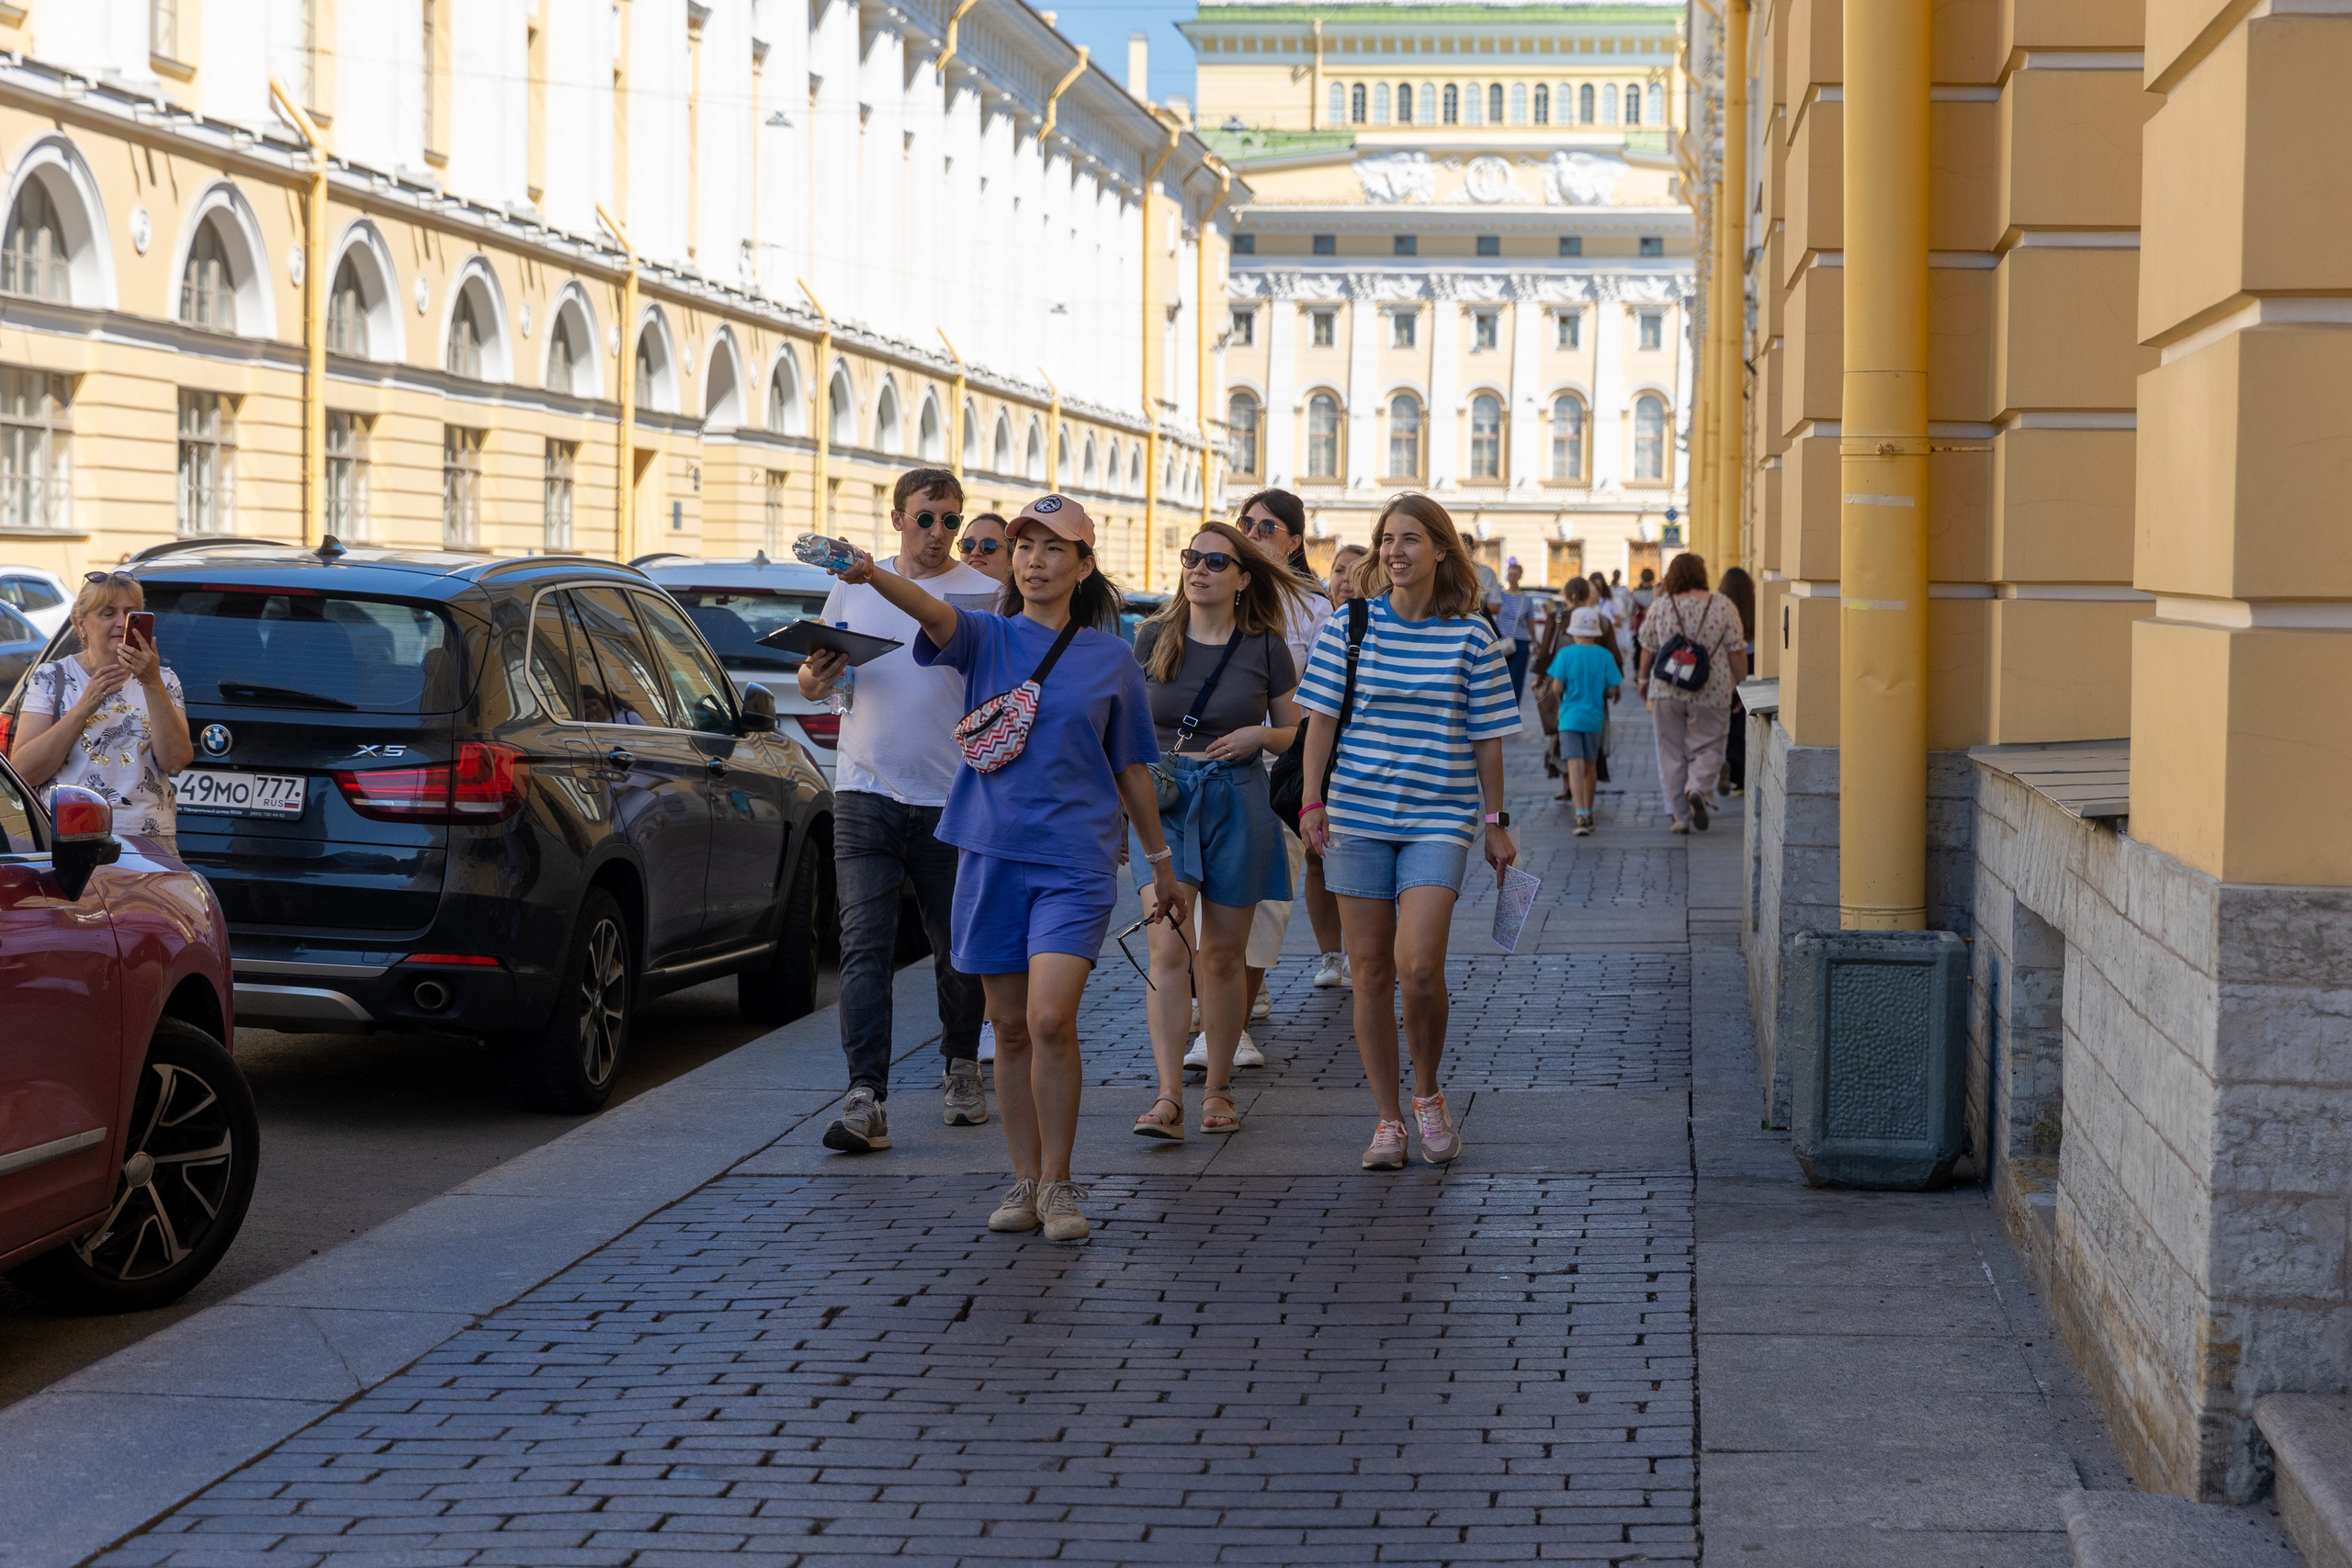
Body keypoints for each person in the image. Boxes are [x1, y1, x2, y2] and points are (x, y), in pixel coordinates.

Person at [830, 493, 1182, 1244]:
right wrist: (868, 576)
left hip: (1076, 862)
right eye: (1024, 547)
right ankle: (1024, 1180)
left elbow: (1133, 770)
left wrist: (1160, 863)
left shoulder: (1111, 658)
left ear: (1084, 565)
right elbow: (931, 612)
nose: (1034, 560)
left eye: (1054, 548)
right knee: (1010, 1028)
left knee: (1052, 1017)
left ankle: (1061, 1182)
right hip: (988, 853)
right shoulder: (986, 636)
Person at [1298, 494, 1521, 1170]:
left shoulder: (1473, 636)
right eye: (1386, 540)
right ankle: (1388, 1119)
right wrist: (1311, 803)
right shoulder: (1349, 627)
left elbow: (1487, 739)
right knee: (1369, 972)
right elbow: (1321, 723)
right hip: (1356, 816)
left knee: (1418, 965)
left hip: (1438, 816)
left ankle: (1427, 1092)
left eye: (1411, 539)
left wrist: (1495, 822)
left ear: (1441, 551)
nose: (1395, 551)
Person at [799, 468, 1000, 1149]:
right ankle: (865, 1095)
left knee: (957, 949)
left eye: (951, 520)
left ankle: (961, 1066)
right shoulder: (852, 586)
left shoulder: (984, 594)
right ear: (897, 519)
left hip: (951, 794)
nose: (940, 533)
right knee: (863, 948)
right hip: (864, 788)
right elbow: (814, 673)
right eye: (926, 519)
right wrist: (814, 675)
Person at [1129, 523, 1306, 1141]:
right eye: (1190, 558)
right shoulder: (1152, 636)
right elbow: (1123, 724)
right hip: (1166, 805)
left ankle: (1220, 1086)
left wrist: (1262, 736)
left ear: (1242, 578)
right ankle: (1169, 1092)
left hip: (1237, 799)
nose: (1198, 569)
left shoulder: (1265, 646)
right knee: (1168, 951)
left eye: (1214, 560)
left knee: (1225, 956)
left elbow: (1293, 732)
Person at [1216, 487, 1329, 1055]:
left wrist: (1299, 763)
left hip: (1281, 762)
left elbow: (1322, 700)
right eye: (1247, 525)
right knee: (1205, 889)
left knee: (1265, 894)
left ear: (1295, 542)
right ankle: (1217, 999)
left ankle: (1232, 1023)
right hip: (1213, 760)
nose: (1254, 534)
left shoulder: (1315, 607)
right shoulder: (1219, 589)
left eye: (1267, 528)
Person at [11, 570, 193, 852]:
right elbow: (24, 772)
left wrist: (152, 682)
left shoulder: (164, 680)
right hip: (69, 840)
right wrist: (85, 706)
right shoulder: (51, 678)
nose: (122, 622)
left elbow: (176, 762)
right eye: (108, 614)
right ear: (81, 624)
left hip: (148, 841)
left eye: (131, 613)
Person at [1636, 552, 1748, 835]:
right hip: (1712, 687)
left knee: (1670, 752)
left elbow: (1647, 644)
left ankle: (1681, 817)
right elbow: (1736, 648)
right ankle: (1697, 786)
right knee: (1710, 745)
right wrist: (1740, 684)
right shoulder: (1722, 605)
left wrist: (1641, 679)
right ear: (1702, 573)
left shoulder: (1662, 606)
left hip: (1667, 688)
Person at [1306, 543, 1367, 988]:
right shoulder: (1315, 621)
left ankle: (1370, 947)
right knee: (1316, 858)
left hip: (1361, 763)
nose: (1344, 579)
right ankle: (1332, 954)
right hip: (1314, 754)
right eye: (1338, 570)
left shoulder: (1371, 626)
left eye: (1355, 571)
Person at [1547, 606, 1623, 836]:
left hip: (1569, 718)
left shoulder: (1565, 655)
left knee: (1574, 766)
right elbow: (1613, 689)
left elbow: (1556, 687)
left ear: (1573, 632)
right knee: (1590, 766)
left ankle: (1579, 814)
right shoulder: (1605, 655)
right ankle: (1588, 811)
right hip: (1594, 719)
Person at [1530, 576, 1586, 797]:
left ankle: (1567, 783)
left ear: (1568, 594)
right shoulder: (1595, 618)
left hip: (1559, 680)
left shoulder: (1558, 616)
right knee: (1588, 730)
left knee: (1561, 730)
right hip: (1587, 679)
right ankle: (1584, 781)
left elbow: (1546, 651)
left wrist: (1538, 677)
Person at [1716, 565, 1758, 796]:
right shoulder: (1754, 605)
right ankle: (1740, 779)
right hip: (1751, 661)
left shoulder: (1721, 607)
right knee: (1742, 719)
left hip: (1726, 663)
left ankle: (1729, 768)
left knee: (1727, 720)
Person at [1494, 559, 1536, 705]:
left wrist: (1535, 640)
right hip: (1501, 641)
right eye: (1510, 575)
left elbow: (1530, 620)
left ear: (1520, 577)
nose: (1512, 578)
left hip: (1520, 642)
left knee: (1515, 679)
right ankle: (1498, 707)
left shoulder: (1526, 599)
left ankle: (1513, 709)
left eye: (1515, 575)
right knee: (1499, 677)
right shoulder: (1499, 595)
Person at [956, 511, 1012, 587]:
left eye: (988, 546)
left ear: (1011, 561)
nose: (975, 552)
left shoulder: (1029, 598)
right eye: (967, 544)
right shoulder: (939, 597)